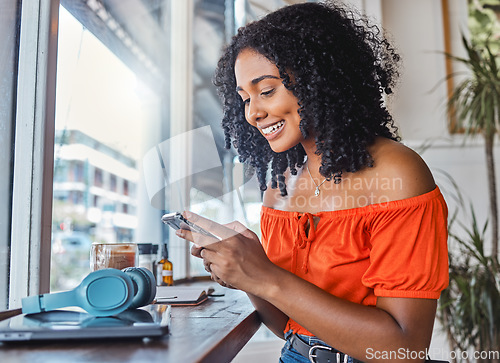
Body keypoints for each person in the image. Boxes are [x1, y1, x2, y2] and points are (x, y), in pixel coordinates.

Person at [175, 1, 449, 362]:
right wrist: (245, 273)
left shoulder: (396, 174)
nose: (254, 113)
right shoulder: (280, 187)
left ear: (320, 77)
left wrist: (264, 277)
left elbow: (404, 347)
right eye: (245, 98)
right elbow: (290, 324)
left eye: (267, 90)